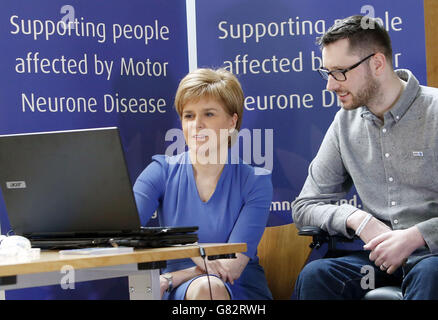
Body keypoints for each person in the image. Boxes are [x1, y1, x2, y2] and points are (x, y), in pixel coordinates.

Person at [292, 15, 438, 300]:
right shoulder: (344, 124)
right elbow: (305, 206)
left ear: (377, 64)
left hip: (432, 256)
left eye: (340, 72)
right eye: (327, 73)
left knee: (430, 274)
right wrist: (357, 219)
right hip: (378, 260)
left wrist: (417, 235)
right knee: (316, 276)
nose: (330, 86)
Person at [133, 68, 273, 300]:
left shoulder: (255, 181)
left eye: (208, 114)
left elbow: (230, 267)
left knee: (207, 288)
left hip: (239, 290)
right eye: (189, 115)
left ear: (232, 121)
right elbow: (123, 233)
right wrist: (180, 250)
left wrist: (171, 277)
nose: (196, 124)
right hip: (176, 293)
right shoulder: (160, 171)